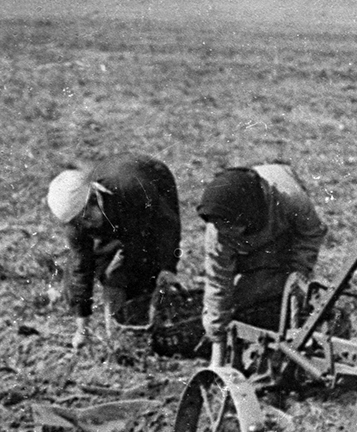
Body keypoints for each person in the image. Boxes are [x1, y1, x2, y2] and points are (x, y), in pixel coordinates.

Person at [46, 155, 182, 349]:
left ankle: (151, 316)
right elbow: (80, 267)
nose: (85, 225)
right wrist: (81, 329)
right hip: (115, 204)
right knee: (108, 272)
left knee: (143, 261)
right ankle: (117, 337)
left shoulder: (132, 190)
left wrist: (168, 267)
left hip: (150, 180)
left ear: (94, 198)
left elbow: (166, 227)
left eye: (87, 217)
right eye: (79, 223)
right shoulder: (75, 222)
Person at [198, 163, 327, 366]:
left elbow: (310, 233)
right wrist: (217, 344)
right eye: (222, 227)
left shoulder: (291, 199)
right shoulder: (218, 228)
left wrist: (298, 273)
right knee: (241, 298)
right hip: (250, 238)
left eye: (230, 227)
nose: (225, 232)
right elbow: (218, 283)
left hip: (282, 230)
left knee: (282, 284)